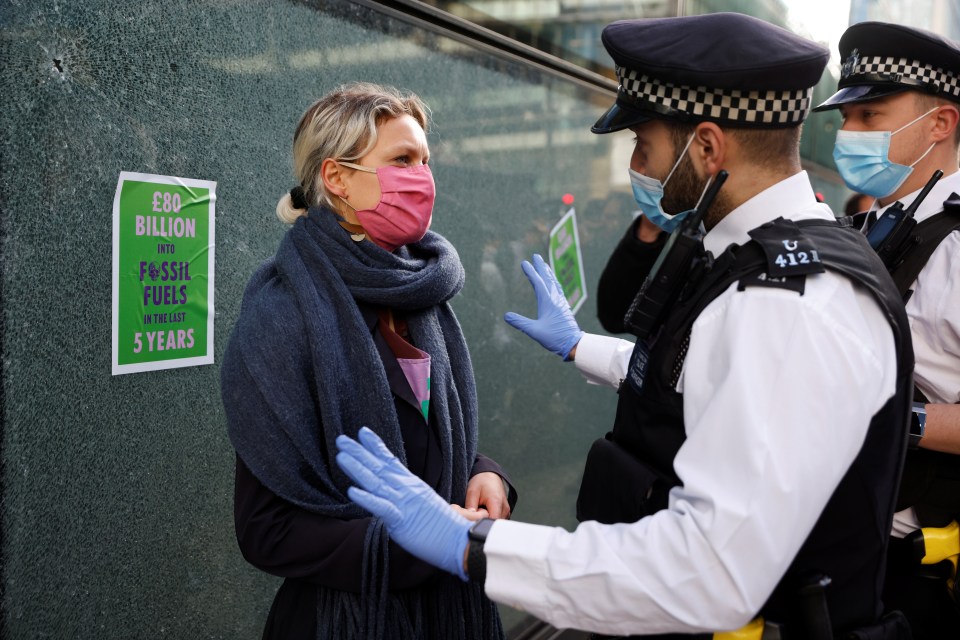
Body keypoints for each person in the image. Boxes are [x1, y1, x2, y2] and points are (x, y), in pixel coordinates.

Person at [334, 14, 916, 639]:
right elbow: (704, 375)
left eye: (644, 143)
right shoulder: (752, 260)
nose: (636, 163)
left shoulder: (792, 298)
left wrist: (477, 546)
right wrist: (583, 347)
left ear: (708, 145)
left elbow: (707, 570)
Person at [220, 82, 515, 640]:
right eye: (402, 159)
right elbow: (266, 529)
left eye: (425, 160)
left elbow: (427, 441)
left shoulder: (421, 291)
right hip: (348, 621)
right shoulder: (281, 317)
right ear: (336, 177)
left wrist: (484, 473)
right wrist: (408, 542)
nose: (422, 177)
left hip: (451, 611)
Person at [812, 21, 960, 638]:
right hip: (846, 542)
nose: (850, 135)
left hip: (915, 568)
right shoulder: (872, 228)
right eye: (845, 119)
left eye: (870, 116)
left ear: (940, 124)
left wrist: (899, 418)